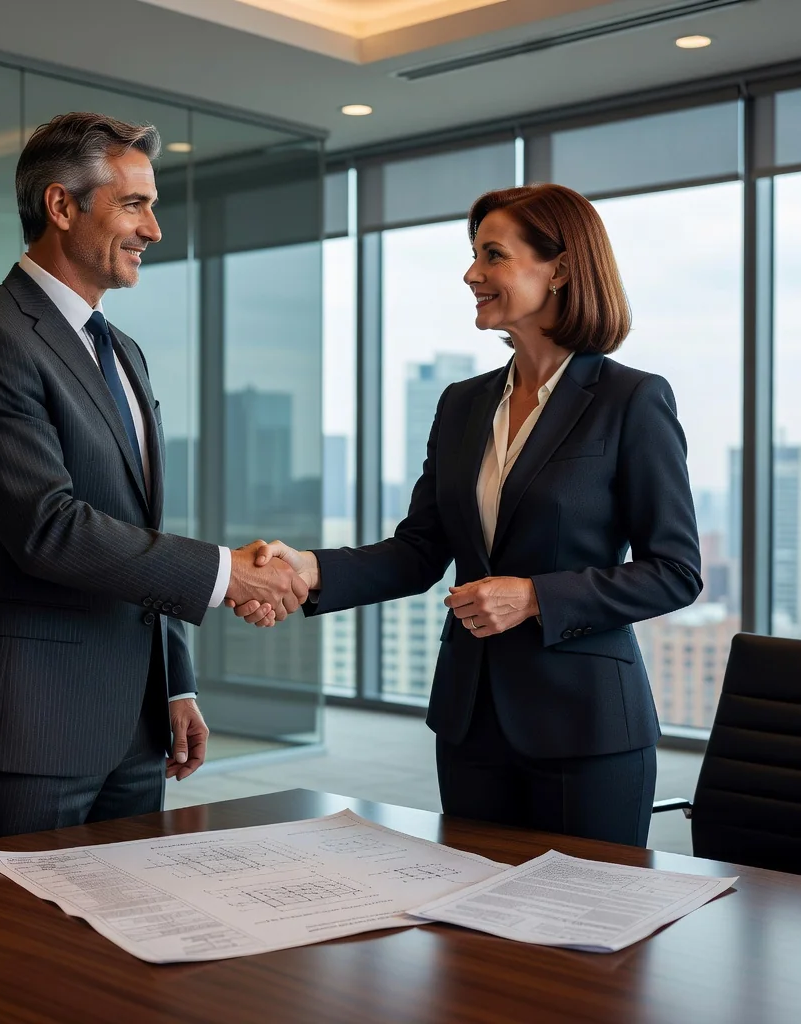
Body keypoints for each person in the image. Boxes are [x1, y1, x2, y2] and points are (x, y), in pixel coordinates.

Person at [234, 183, 703, 846]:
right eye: (472, 254)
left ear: (560, 269)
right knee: (471, 933)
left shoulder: (631, 400)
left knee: (583, 937)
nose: (471, 274)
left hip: (587, 729)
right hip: (470, 719)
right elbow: (420, 549)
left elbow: (675, 571)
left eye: (492, 255)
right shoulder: (462, 403)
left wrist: (535, 597)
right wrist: (307, 569)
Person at [0, 112, 306, 844]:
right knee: (20, 953)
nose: (154, 230)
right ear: (61, 206)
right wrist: (230, 575)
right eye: (134, 205)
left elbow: (137, 529)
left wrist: (177, 681)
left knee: (126, 944)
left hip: (135, 723)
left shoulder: (121, 349)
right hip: (27, 726)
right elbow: (49, 528)